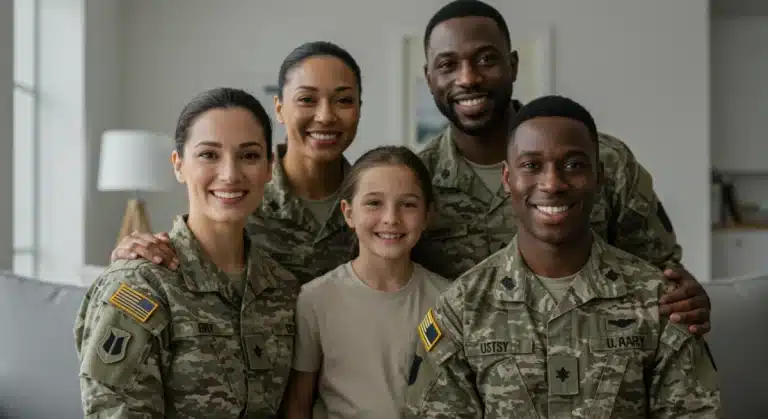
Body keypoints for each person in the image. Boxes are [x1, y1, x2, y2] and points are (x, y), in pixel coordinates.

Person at [404, 95, 722, 418]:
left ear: (599, 176)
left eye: (573, 165)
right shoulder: (462, 308)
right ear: (507, 179)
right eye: (531, 166)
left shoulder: (658, 302)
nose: (553, 183)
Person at [411, 0, 711, 334]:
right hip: (470, 360)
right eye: (448, 65)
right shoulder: (414, 183)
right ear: (429, 78)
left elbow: (664, 278)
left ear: (512, 65)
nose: (468, 78)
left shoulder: (605, 161)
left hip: (596, 354)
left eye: (486, 59)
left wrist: (688, 301)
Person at [74, 87, 300, 417]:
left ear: (269, 168)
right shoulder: (141, 285)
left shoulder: (284, 289)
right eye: (209, 155)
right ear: (178, 165)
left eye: (249, 156)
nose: (230, 174)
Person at [109, 41, 362, 285]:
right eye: (306, 99)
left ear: (359, 108)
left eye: (344, 100)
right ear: (279, 108)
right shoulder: (236, 195)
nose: (325, 116)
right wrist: (130, 261)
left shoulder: (372, 203)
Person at [283, 146, 452, 419]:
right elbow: (298, 405)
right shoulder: (315, 300)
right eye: (374, 203)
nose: (391, 219)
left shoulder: (449, 301)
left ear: (426, 215)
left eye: (408, 204)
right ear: (348, 213)